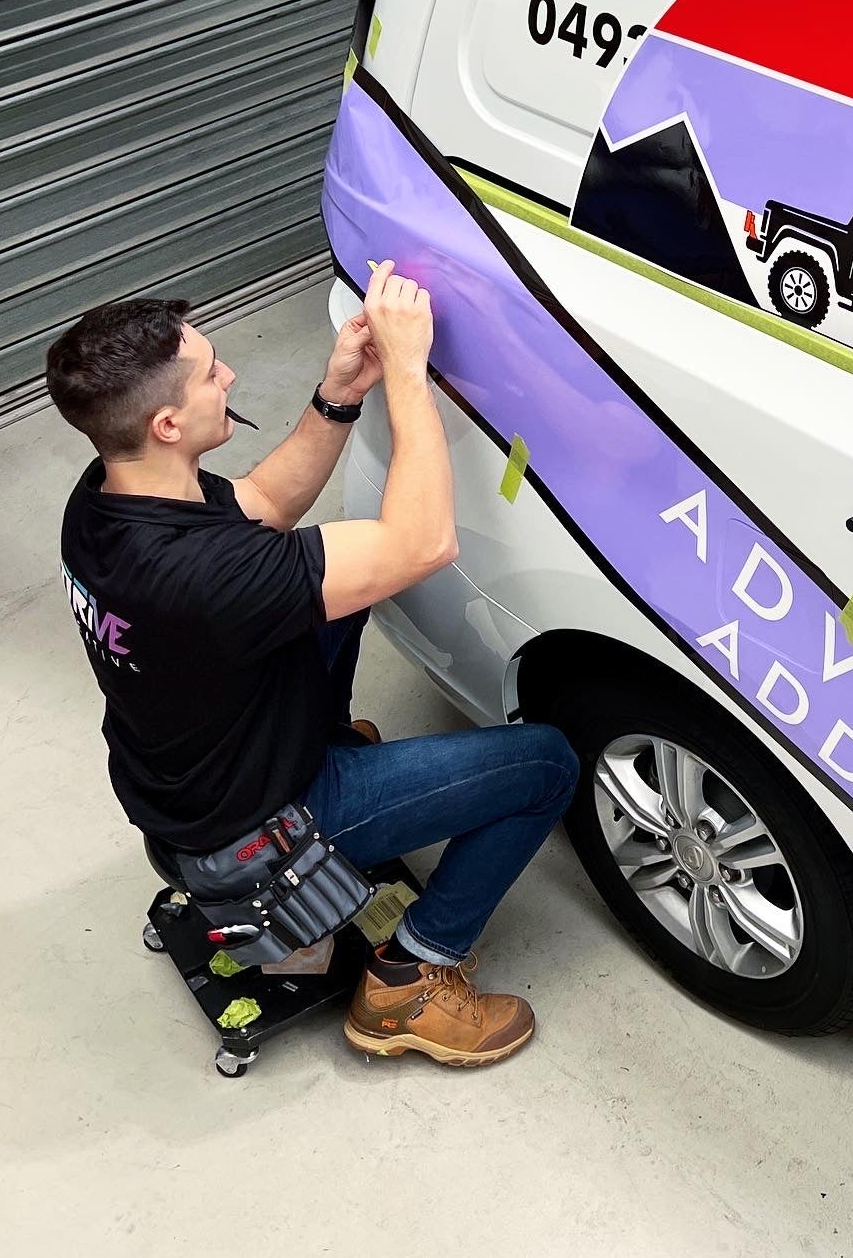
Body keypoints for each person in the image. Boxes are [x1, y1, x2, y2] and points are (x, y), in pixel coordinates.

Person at [45, 260, 578, 1066]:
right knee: (546, 763)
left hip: (185, 778)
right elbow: (424, 543)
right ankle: (411, 976)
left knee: (341, 593)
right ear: (167, 423)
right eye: (210, 372)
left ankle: (330, 749)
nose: (230, 374)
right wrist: (408, 370)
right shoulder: (201, 577)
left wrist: (341, 392)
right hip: (259, 826)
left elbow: (261, 505)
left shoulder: (103, 500)